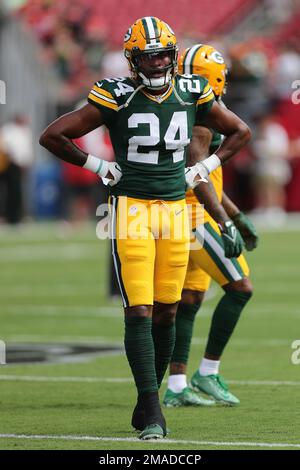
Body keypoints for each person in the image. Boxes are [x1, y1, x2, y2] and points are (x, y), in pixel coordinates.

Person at [40, 18, 251, 440]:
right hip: (132, 209)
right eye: (147, 56)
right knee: (139, 309)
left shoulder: (191, 91)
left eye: (162, 55)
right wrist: (100, 166)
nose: (156, 64)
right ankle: (153, 410)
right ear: (133, 60)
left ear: (173, 56)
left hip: (176, 211)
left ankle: (147, 400)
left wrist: (205, 166)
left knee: (168, 310)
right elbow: (54, 135)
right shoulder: (116, 94)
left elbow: (239, 132)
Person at [163, 44, 258, 407]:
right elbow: (196, 176)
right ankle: (208, 370)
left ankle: (175, 387)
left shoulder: (183, 107)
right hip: (194, 215)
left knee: (187, 301)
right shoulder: (201, 118)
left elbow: (209, 180)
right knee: (240, 288)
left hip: (189, 211)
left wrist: (235, 214)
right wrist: (225, 220)